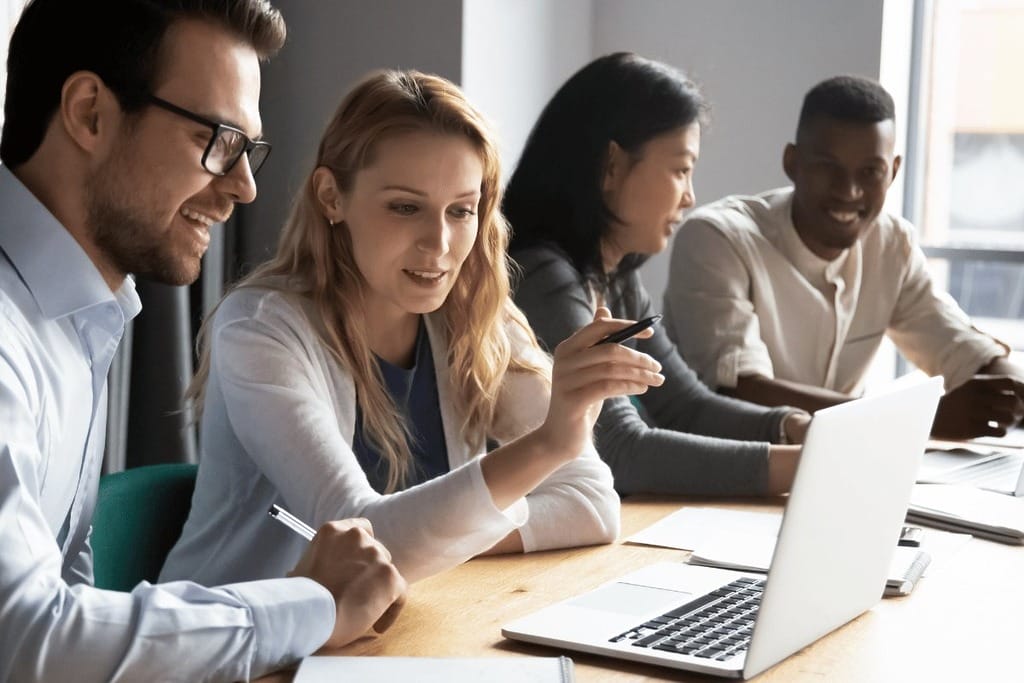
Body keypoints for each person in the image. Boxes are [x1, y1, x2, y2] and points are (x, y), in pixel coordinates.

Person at [0, 2, 407, 681]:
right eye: (219, 141)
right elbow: (23, 638)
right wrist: (314, 604)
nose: (243, 187)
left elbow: (65, 604)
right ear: (89, 113)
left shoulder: (78, 315)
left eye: (250, 151)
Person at [160, 69, 650, 589]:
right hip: (240, 648)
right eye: (405, 207)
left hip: (385, 631)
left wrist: (435, 541)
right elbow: (364, 537)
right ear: (331, 196)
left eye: (461, 210)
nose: (438, 243)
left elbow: (593, 504)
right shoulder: (261, 331)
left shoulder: (475, 315)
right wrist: (549, 444)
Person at [504, 52, 808, 498]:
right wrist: (800, 468)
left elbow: (685, 406)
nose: (689, 197)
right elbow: (621, 452)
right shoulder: (540, 278)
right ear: (611, 166)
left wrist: (789, 426)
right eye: (681, 170)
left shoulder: (615, 277)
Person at [664, 75, 1024, 440]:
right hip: (723, 476)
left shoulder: (891, 243)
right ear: (792, 162)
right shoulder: (717, 238)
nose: (848, 191)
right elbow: (739, 390)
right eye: (828, 167)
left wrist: (1010, 388)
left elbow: (963, 350)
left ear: (893, 172)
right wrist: (917, 420)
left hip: (841, 469)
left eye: (870, 172)